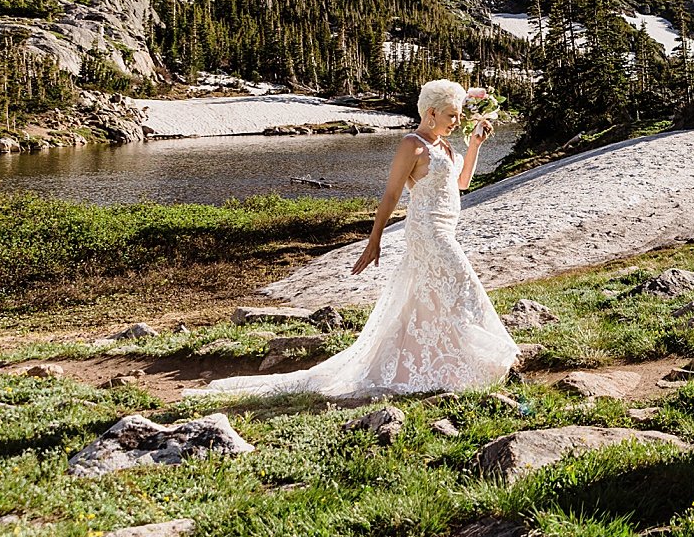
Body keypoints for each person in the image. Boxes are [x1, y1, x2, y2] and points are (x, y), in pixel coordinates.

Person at [186, 79, 519, 400]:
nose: (457, 121)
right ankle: (472, 359)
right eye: (451, 115)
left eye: (458, 114)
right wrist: (374, 240)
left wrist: (474, 145)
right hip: (427, 231)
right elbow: (390, 195)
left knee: (430, 297)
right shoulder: (412, 144)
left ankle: (438, 366)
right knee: (462, 283)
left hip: (447, 228)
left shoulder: (444, 145)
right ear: (431, 112)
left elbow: (461, 183)